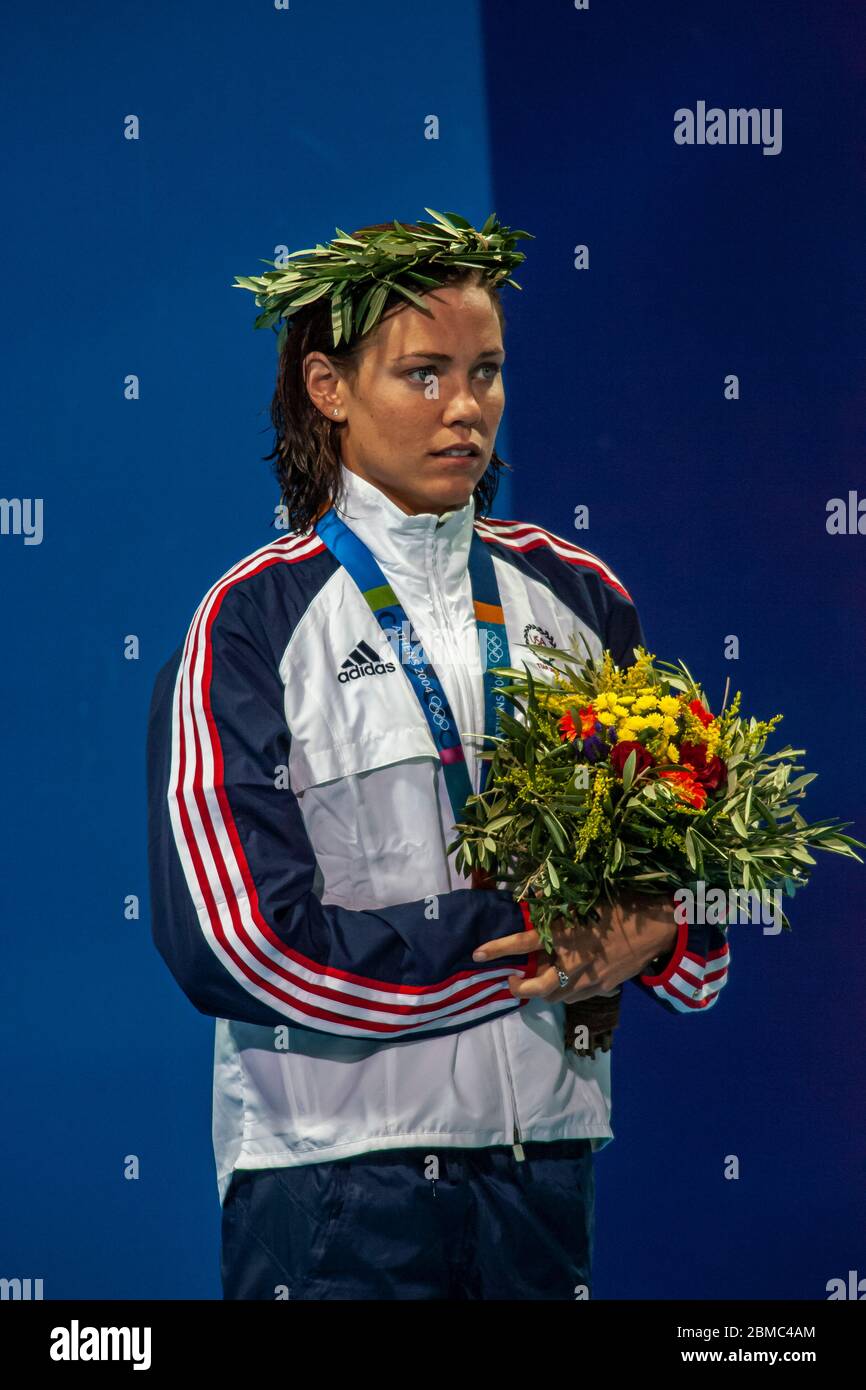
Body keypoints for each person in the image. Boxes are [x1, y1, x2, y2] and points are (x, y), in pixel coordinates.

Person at [146, 212, 730, 1300]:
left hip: (544, 1162)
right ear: (327, 387)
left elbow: (680, 895)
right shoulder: (251, 621)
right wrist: (530, 943)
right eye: (423, 374)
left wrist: (654, 931)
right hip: (332, 1181)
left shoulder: (578, 594)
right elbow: (237, 949)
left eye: (486, 371)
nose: (465, 407)